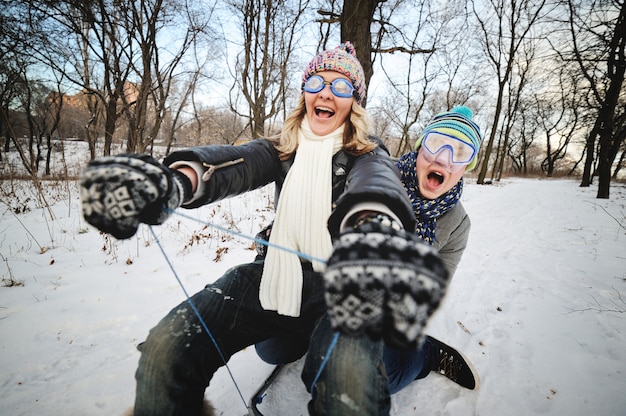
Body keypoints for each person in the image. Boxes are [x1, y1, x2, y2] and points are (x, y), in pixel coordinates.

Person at [79, 42, 450, 416]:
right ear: (305, 92)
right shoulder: (283, 148)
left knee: (351, 378)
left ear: (353, 102)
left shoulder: (368, 153)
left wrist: (374, 223)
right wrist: (175, 181)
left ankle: (421, 355)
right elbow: (235, 164)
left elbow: (376, 184)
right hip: (280, 275)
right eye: (317, 82)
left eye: (340, 87)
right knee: (168, 348)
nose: (325, 92)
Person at [257, 106, 484, 400]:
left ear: (467, 167)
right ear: (419, 148)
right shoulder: (373, 173)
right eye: (436, 144)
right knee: (272, 348)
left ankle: (425, 355)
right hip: (322, 284)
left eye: (461, 152)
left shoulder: (456, 224)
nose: (444, 158)